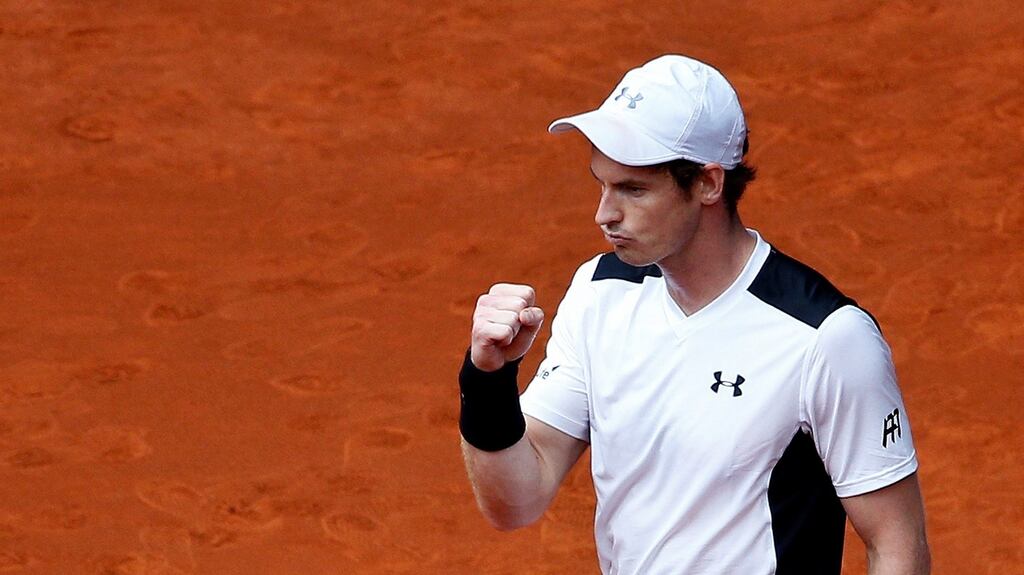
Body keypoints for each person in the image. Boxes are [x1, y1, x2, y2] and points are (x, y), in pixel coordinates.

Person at [458, 54, 930, 574]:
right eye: (602, 185)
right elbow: (516, 502)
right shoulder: (600, 293)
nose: (604, 214)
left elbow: (895, 543)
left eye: (633, 190)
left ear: (708, 183)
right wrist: (487, 382)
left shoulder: (825, 337)